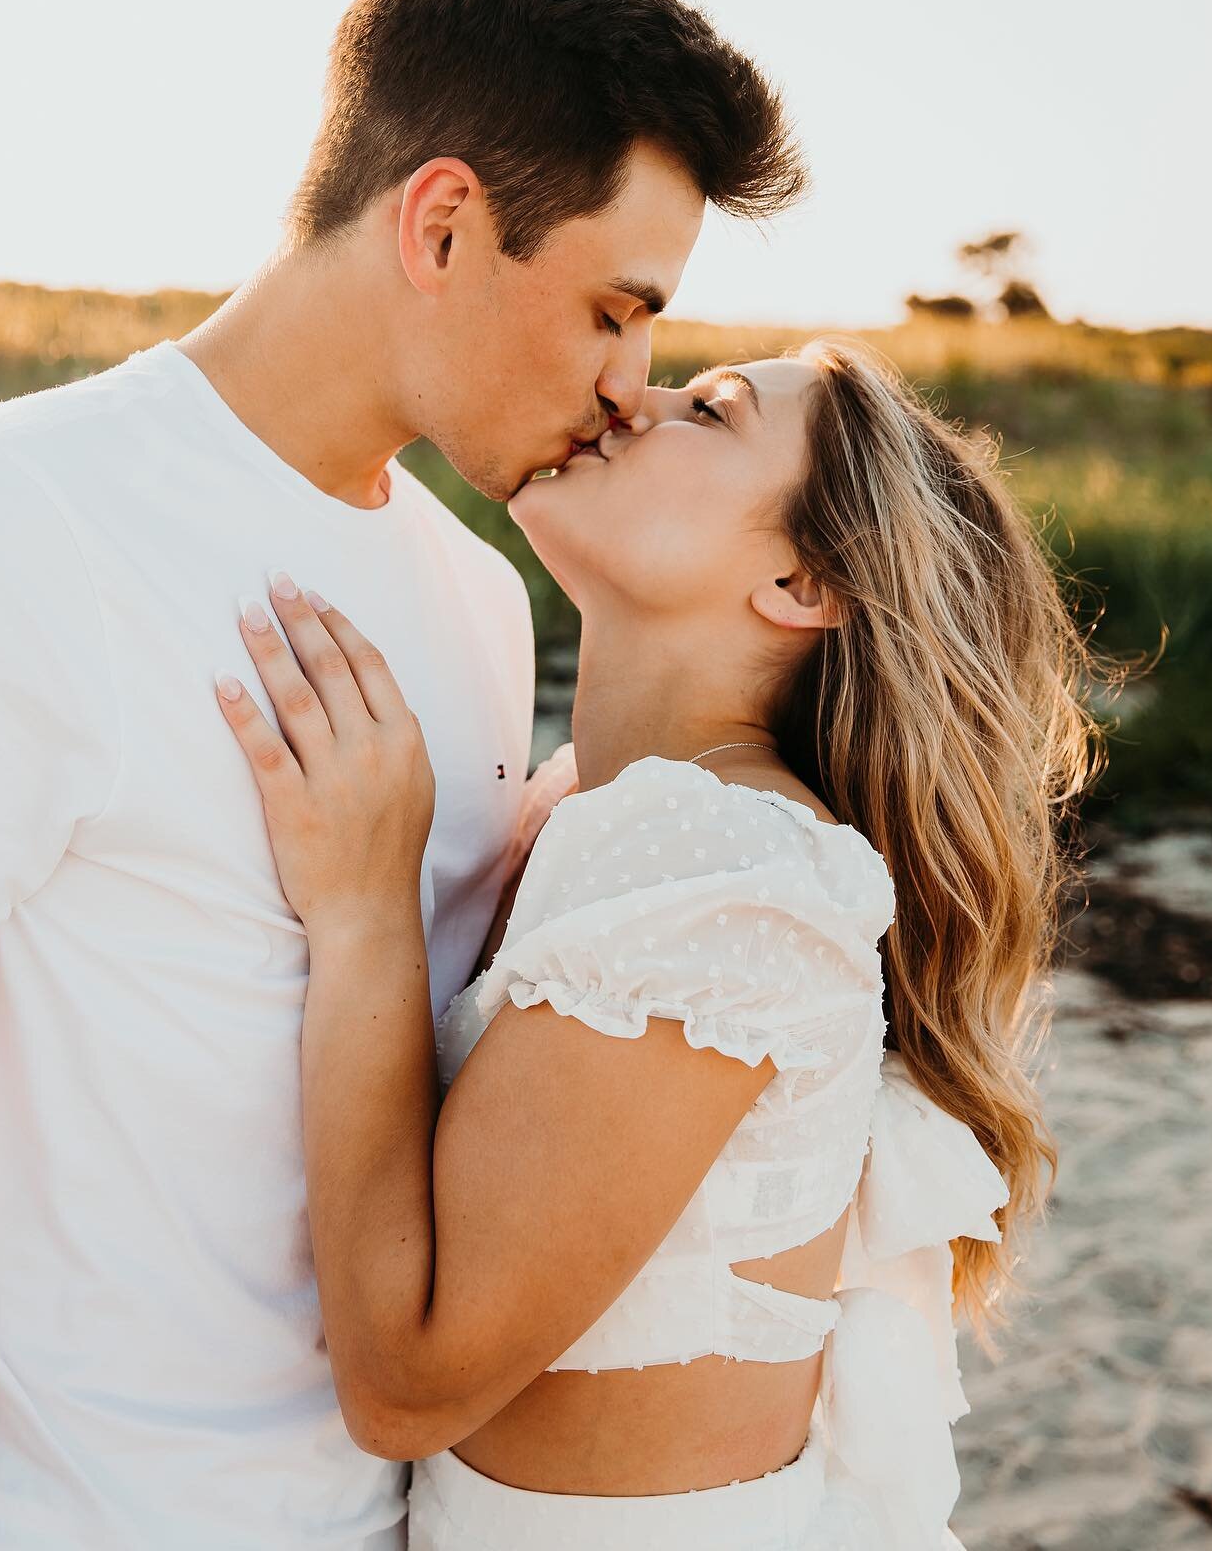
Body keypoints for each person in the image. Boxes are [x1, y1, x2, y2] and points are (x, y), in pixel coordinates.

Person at [0, 0, 805, 1550]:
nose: (635, 388)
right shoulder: (3, 529)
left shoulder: (483, 601)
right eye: (616, 313)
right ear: (441, 223)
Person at [214, 337, 1100, 1548]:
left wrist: (365, 910)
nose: (635, 396)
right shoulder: (594, 806)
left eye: (715, 409)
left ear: (797, 585)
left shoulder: (723, 866)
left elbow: (408, 1382)